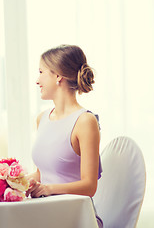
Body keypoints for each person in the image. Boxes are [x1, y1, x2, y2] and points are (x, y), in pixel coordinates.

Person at [26, 44, 103, 227]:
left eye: (41, 72)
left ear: (58, 75)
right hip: (46, 212)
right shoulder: (42, 118)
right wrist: (12, 183)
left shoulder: (85, 121)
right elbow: (41, 173)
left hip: (74, 217)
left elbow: (89, 186)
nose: (37, 80)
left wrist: (48, 189)